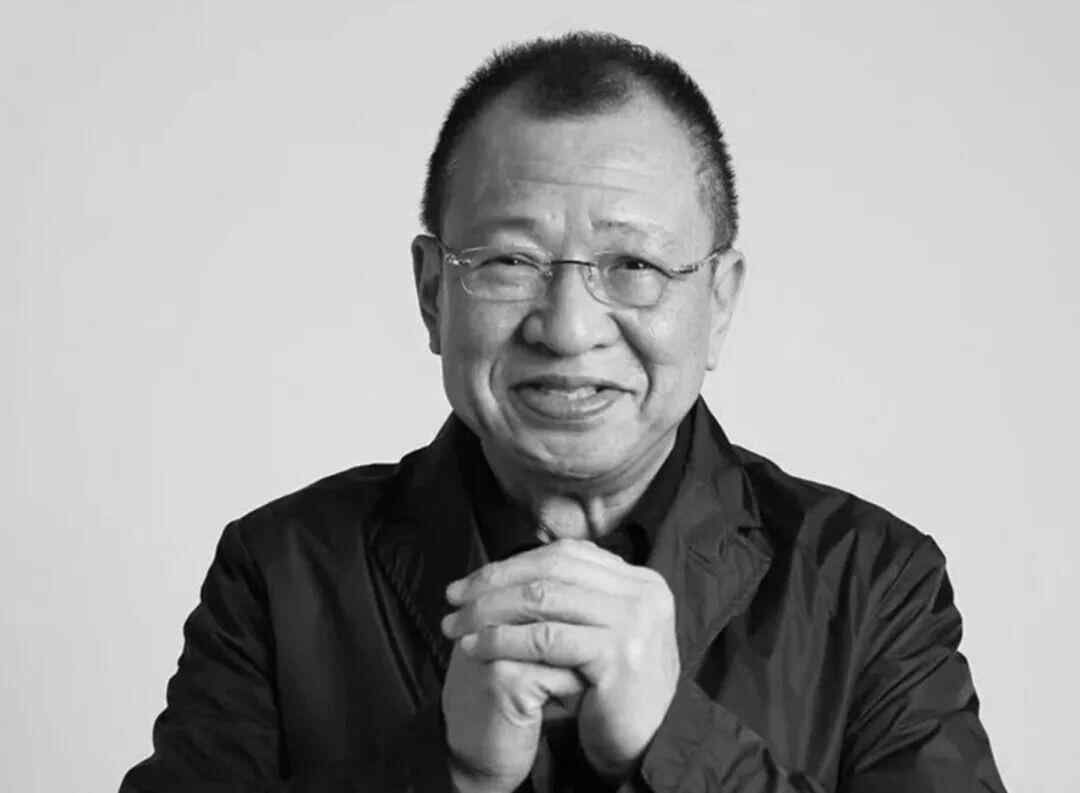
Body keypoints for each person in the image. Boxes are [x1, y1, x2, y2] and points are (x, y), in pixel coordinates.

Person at [121, 31, 1007, 793]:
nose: (570, 328)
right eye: (509, 262)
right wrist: (448, 767)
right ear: (432, 293)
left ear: (720, 300)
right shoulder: (282, 574)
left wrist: (677, 742)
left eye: (634, 265)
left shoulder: (870, 582)